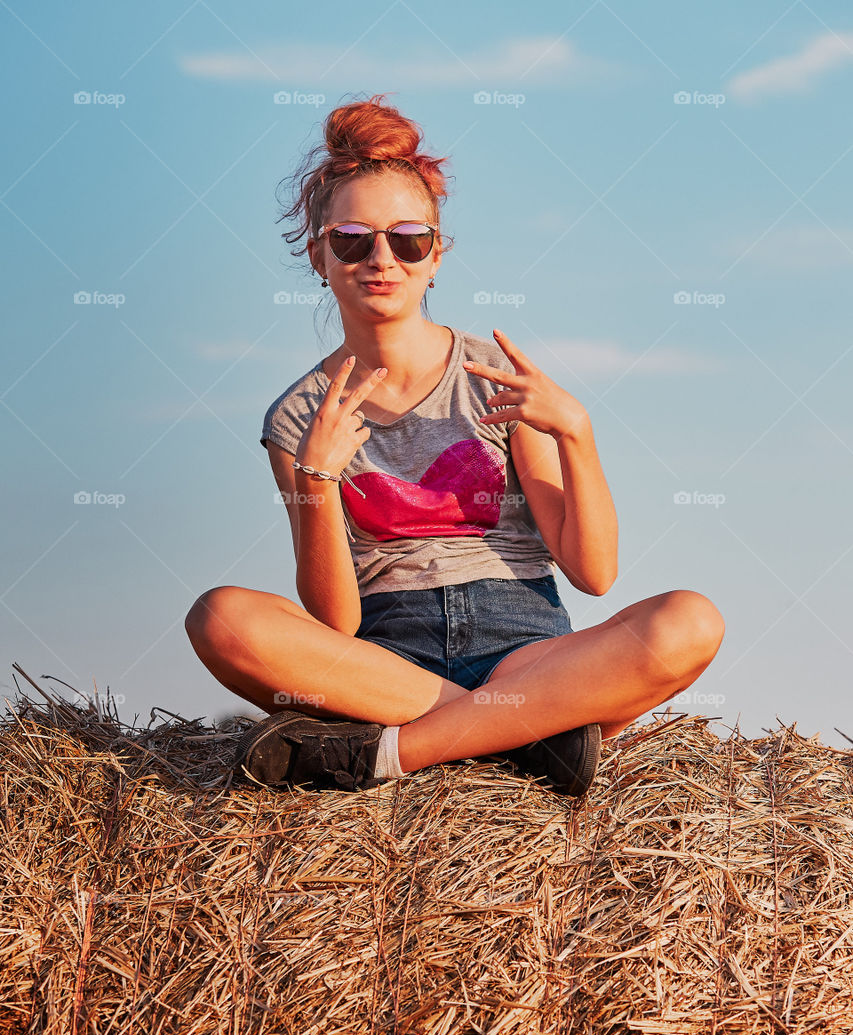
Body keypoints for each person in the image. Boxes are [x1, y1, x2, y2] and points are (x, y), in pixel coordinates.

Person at [184, 94, 725, 796]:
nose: (381, 258)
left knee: (688, 622)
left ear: (435, 255)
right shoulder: (295, 417)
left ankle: (387, 756)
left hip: (524, 654)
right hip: (387, 664)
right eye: (352, 239)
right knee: (220, 618)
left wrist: (576, 432)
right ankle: (524, 738)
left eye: (407, 239)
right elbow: (336, 621)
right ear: (319, 255)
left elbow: (593, 574)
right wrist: (316, 482)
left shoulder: (494, 381)